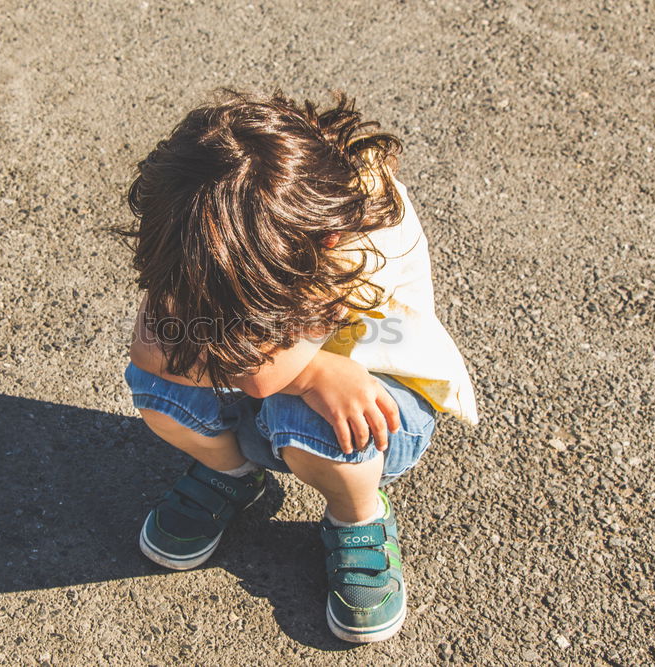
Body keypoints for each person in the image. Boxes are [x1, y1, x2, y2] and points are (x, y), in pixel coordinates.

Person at [118, 91, 478, 643]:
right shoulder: (213, 224)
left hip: (378, 394)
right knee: (154, 384)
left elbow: (264, 377)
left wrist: (312, 373)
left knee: (310, 419)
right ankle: (234, 472)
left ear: (324, 239)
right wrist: (304, 369)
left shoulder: (358, 234)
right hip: (274, 368)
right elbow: (147, 351)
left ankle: (358, 516)